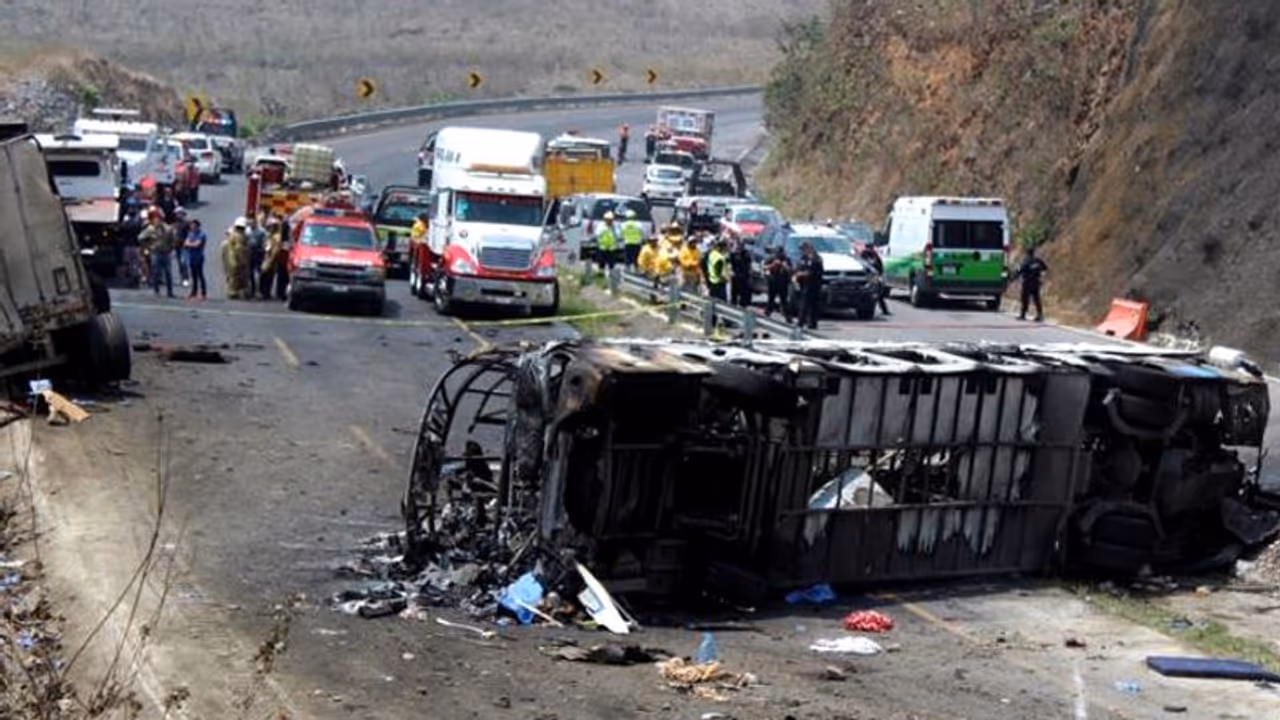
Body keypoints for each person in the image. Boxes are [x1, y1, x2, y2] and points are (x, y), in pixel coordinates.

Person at [139, 210, 175, 298]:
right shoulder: (151, 229)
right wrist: (147, 246)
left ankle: (170, 291)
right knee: (156, 272)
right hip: (156, 253)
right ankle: (156, 290)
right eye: (156, 219)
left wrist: (170, 249)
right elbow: (140, 238)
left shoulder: (168, 228)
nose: (157, 221)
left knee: (168, 273)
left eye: (159, 219)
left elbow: (172, 240)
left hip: (166, 253)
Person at [794, 241, 825, 329]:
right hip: (804, 284)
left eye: (804, 249)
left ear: (809, 248)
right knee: (804, 303)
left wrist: (801, 274)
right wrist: (796, 275)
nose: (802, 251)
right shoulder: (803, 258)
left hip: (813, 284)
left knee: (810, 305)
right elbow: (799, 267)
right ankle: (805, 322)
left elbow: (814, 272)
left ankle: (807, 323)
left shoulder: (816, 259)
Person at [1015, 245, 1048, 321]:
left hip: (1027, 283)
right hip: (1036, 282)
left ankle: (1023, 315)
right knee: (1037, 299)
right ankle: (1040, 315)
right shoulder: (1038, 261)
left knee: (1025, 299)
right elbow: (1045, 268)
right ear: (1033, 253)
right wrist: (1041, 276)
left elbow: (1019, 271)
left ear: (1027, 253)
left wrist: (1015, 276)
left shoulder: (1026, 261)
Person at [260, 216, 290, 300]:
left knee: (268, 277)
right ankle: (264, 292)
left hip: (271, 260)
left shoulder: (276, 237)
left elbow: (275, 250)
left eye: (272, 226)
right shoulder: (269, 235)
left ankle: (266, 293)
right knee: (264, 276)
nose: (270, 228)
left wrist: (270, 261)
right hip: (267, 258)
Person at [222, 217, 251, 299]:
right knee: (239, 276)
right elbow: (239, 249)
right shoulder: (240, 237)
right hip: (238, 260)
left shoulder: (232, 235)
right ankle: (234, 292)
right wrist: (243, 260)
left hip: (231, 259)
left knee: (232, 276)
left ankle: (232, 291)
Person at [859, 244, 891, 315]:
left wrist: (881, 276)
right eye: (869, 248)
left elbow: (880, 266)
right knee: (874, 293)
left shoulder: (875, 255)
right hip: (868, 276)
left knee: (879, 294)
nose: (870, 249)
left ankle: (884, 310)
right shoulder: (863, 255)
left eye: (871, 248)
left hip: (874, 276)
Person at [764, 245, 792, 319]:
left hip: (783, 282)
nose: (779, 255)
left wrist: (785, 266)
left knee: (784, 300)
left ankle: (787, 316)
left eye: (780, 253)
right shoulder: (771, 258)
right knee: (771, 299)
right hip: (773, 281)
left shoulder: (786, 259)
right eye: (777, 253)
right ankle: (767, 313)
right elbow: (765, 267)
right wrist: (773, 265)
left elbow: (791, 270)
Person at [118, 207, 144, 288]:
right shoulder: (138, 224)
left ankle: (130, 279)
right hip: (136, 246)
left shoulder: (126, 224)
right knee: (136, 263)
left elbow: (120, 231)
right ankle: (135, 279)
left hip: (127, 246)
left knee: (128, 263)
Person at [184, 219, 208, 300]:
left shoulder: (202, 234)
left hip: (199, 257)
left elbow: (197, 245)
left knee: (200, 275)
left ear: (197, 226)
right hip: (191, 257)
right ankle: (193, 293)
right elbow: (185, 243)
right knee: (193, 276)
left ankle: (203, 293)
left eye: (193, 225)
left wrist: (190, 244)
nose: (192, 227)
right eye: (191, 225)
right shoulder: (190, 234)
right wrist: (191, 244)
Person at [246, 214, 268, 299]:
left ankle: (260, 291)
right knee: (249, 273)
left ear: (255, 222)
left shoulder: (261, 231)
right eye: (250, 222)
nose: (251, 224)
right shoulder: (247, 230)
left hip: (259, 253)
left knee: (259, 273)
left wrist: (264, 250)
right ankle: (251, 290)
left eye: (253, 222)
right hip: (249, 253)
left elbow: (266, 241)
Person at [728, 239, 753, 308]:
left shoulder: (746, 254)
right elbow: (729, 264)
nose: (738, 248)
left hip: (744, 276)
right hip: (735, 276)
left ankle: (743, 306)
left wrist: (750, 277)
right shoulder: (732, 254)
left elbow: (749, 266)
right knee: (734, 293)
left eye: (740, 246)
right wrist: (730, 271)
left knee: (743, 293)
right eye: (737, 247)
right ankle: (733, 305)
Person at [596, 210, 621, 275]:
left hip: (612, 248)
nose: (609, 221)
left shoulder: (615, 226)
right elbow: (597, 234)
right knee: (601, 263)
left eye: (611, 220)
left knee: (611, 264)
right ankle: (601, 275)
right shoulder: (601, 226)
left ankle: (611, 274)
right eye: (608, 219)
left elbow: (618, 235)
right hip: (602, 247)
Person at [172, 207, 191, 288]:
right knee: (180, 263)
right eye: (176, 214)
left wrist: (188, 242)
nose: (177, 215)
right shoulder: (175, 224)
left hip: (185, 245)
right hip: (177, 245)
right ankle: (182, 278)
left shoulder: (187, 223)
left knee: (184, 262)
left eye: (179, 213)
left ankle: (186, 278)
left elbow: (190, 234)